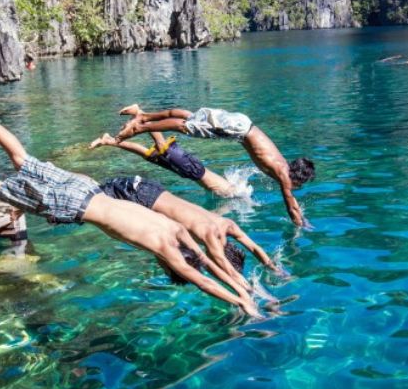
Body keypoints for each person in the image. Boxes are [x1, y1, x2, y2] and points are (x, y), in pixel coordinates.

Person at [0, 94, 261, 317]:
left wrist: (241, 286)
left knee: (21, 158)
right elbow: (202, 277)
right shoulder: (166, 248)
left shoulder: (178, 230)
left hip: (87, 187)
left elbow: (208, 262)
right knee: (4, 189)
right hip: (75, 206)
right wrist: (242, 303)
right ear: (170, 265)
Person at [109, 105, 315, 226]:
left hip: (242, 124)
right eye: (301, 184)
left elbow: (292, 201)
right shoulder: (284, 174)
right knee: (186, 127)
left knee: (191, 117)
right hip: (238, 129)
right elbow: (291, 206)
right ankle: (140, 127)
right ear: (298, 177)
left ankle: (142, 114)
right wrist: (301, 225)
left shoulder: (282, 163)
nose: (296, 187)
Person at [97, 175, 282, 295]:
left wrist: (274, 268)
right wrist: (251, 292)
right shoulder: (210, 237)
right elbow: (225, 269)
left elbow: (255, 248)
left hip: (152, 189)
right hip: (138, 196)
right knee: (93, 199)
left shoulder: (227, 225)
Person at [89, 131, 239, 197]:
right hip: (194, 170)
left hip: (188, 173)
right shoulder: (233, 194)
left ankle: (108, 140)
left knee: (149, 155)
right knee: (162, 146)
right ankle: (141, 115)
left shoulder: (231, 188)